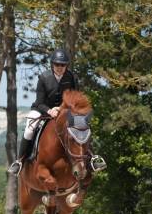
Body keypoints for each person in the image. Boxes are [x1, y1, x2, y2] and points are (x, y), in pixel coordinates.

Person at [8, 48, 106, 176]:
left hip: (64, 110)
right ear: (52, 64)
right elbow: (39, 102)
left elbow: (75, 98)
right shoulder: (44, 78)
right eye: (57, 64)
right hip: (42, 110)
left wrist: (61, 109)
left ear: (66, 66)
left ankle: (93, 158)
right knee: (29, 129)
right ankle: (20, 161)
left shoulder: (71, 77)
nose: (60, 67)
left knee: (83, 125)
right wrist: (49, 111)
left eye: (63, 65)